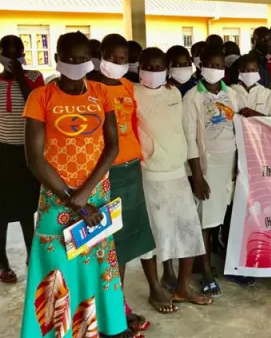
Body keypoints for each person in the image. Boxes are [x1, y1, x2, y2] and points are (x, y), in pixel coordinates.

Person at [21, 31, 140, 338]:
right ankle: (55, 329)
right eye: (69, 58)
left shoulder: (101, 93)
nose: (75, 64)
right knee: (56, 262)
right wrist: (71, 196)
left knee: (98, 260)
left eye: (82, 58)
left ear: (92, 60)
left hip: (95, 193)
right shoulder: (41, 97)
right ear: (57, 58)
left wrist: (86, 194)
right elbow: (35, 158)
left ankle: (106, 324)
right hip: (55, 196)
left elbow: (112, 146)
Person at [90, 34, 165, 321]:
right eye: (113, 57)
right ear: (101, 55)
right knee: (113, 241)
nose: (119, 63)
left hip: (132, 166)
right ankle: (114, 305)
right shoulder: (91, 88)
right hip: (105, 171)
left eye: (123, 59)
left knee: (139, 232)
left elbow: (133, 123)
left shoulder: (125, 85)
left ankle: (151, 287)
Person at [134, 47, 211, 307]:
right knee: (154, 235)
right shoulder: (131, 93)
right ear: (139, 67)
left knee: (188, 232)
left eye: (159, 68)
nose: (154, 72)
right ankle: (155, 288)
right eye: (149, 67)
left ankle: (182, 287)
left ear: (166, 70)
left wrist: (196, 174)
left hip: (177, 173)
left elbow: (185, 134)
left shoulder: (174, 93)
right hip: (150, 175)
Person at [182, 49, 244, 296]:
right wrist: (197, 176)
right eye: (209, 64)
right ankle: (206, 272)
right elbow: (189, 140)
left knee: (229, 218)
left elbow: (240, 128)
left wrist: (240, 166)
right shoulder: (191, 98)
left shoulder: (232, 95)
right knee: (206, 223)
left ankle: (232, 264)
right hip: (208, 167)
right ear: (200, 67)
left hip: (231, 164)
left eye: (218, 65)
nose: (214, 68)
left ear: (224, 70)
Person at [0, 35, 43, 284]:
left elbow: (35, 103)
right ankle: (2, 262)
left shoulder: (35, 77)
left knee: (28, 207)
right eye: (7, 52)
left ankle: (32, 255)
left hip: (27, 151)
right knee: (2, 211)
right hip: (3, 151)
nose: (12, 57)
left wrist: (18, 76)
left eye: (17, 52)